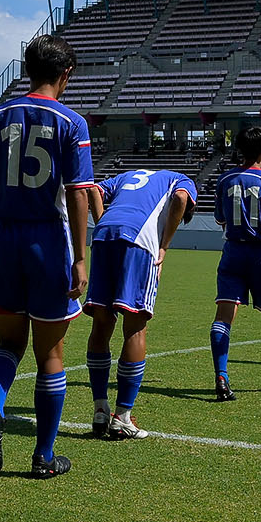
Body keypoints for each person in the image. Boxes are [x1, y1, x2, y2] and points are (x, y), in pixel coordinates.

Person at [0, 35, 98, 478]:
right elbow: (78, 192)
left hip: (5, 237)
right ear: (65, 75)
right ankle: (43, 456)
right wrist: (80, 258)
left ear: (27, 70)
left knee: (8, 343)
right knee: (51, 353)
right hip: (50, 241)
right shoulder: (72, 122)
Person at [83, 165, 195, 440]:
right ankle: (122, 417)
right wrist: (165, 244)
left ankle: (100, 409)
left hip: (104, 236)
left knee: (102, 321)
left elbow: (93, 189)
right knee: (135, 325)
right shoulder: (182, 179)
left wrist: (102, 221)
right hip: (139, 241)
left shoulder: (128, 175)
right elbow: (181, 199)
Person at [211, 125, 261, 401]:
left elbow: (220, 218)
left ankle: (221, 376)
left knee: (224, 315)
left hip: (232, 251)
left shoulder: (224, 180)